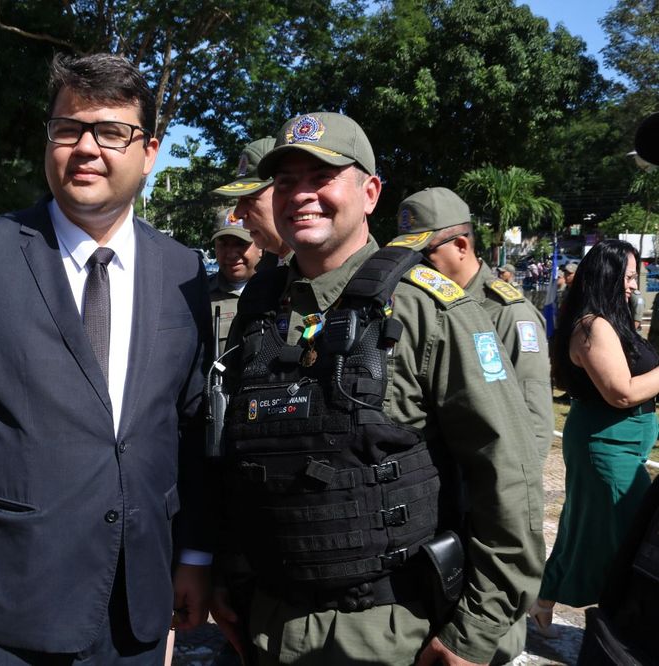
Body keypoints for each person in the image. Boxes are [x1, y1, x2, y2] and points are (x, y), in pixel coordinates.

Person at [0, 53, 212, 664]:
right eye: (67, 129)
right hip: (2, 600)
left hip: (135, 598)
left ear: (150, 150)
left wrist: (192, 555)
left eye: (112, 132)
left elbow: (189, 425)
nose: (87, 148)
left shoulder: (183, 270)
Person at [212, 112, 544, 665]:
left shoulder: (428, 311)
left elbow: (508, 476)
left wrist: (477, 631)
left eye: (322, 177)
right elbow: (240, 460)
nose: (301, 195)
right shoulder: (259, 307)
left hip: (395, 635)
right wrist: (228, 572)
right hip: (270, 624)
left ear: (369, 193)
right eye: (287, 181)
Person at [530, 239, 659, 637]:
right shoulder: (592, 327)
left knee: (580, 526)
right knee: (629, 536)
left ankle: (543, 600)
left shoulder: (615, 322)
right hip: (605, 448)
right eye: (630, 277)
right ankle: (623, 621)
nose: (635, 286)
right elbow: (621, 392)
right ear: (608, 275)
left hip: (625, 446)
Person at [396, 188, 552, 461]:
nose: (413, 267)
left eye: (424, 257)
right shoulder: (426, 309)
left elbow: (533, 423)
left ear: (460, 246)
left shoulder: (508, 314)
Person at [213, 137, 291, 270]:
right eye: (239, 200)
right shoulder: (266, 273)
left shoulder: (317, 270)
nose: (238, 213)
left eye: (250, 199)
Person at [210, 208, 260, 349]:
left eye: (240, 243)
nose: (231, 254)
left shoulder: (280, 289)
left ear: (260, 245)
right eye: (223, 244)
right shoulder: (199, 297)